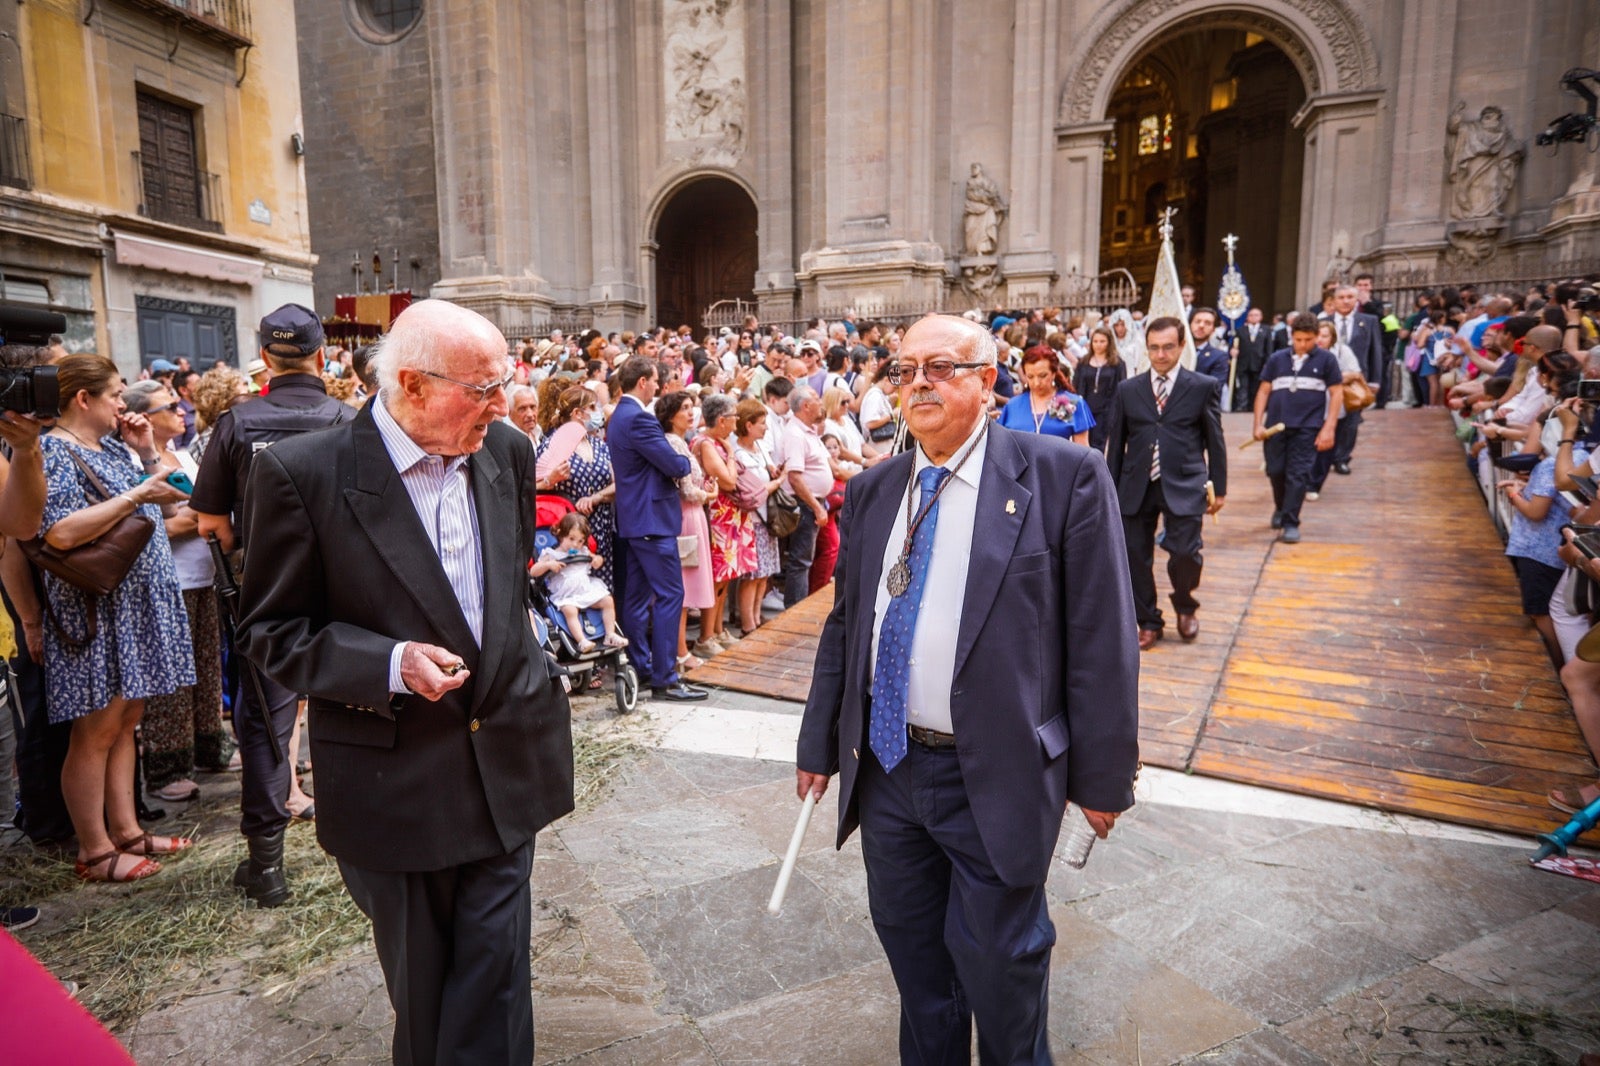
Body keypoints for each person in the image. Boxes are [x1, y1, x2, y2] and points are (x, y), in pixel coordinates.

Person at [236, 299, 574, 1065]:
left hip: (509, 760)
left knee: (497, 975)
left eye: (505, 385)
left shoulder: (507, 453)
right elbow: (269, 632)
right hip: (398, 779)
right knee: (426, 992)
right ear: (413, 386)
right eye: (481, 389)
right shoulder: (302, 473)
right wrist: (391, 664)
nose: (502, 403)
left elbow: (505, 587)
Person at [796, 314, 1139, 1064]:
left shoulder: (1063, 478)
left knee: (1002, 970)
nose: (918, 382)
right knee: (918, 974)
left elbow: (1101, 639)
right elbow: (850, 624)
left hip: (996, 771)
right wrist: (819, 740)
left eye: (940, 367)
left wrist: (1105, 777)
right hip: (887, 769)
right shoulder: (876, 489)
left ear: (988, 381)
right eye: (904, 369)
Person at [189, 303, 356, 906]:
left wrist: (253, 557)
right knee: (355, 711)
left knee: (264, 726)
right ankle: (360, 845)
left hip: (270, 595)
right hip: (344, 593)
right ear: (322, 353)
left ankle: (268, 866)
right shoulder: (347, 419)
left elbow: (211, 523)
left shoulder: (237, 423)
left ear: (264, 356)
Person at [37, 354, 196, 882]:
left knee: (126, 722)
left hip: (135, 605)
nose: (123, 403)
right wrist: (135, 495)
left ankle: (126, 830)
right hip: (97, 610)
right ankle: (94, 849)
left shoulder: (110, 445)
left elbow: (173, 504)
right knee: (96, 730)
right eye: (114, 394)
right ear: (83, 399)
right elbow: (58, 533)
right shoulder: (52, 450)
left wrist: (147, 452)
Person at [120, 381, 230, 800]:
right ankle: (167, 767)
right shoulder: (134, 460)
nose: (180, 411)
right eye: (169, 406)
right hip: (166, 581)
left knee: (204, 667)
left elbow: (202, 509)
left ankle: (209, 748)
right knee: (170, 676)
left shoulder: (182, 454)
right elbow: (156, 524)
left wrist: (195, 516)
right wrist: (197, 517)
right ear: (143, 417)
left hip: (202, 574)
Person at [1105, 316, 1228, 649]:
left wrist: (1219, 486)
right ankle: (1148, 620)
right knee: (1134, 556)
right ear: (1147, 349)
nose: (1161, 355)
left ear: (1182, 346)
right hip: (1136, 484)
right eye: (1154, 348)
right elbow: (1116, 444)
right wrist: (1109, 490)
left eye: (1168, 347)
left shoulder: (1202, 386)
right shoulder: (1129, 389)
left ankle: (1185, 604)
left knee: (1186, 552)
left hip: (1186, 481)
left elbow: (1214, 439)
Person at [609, 355, 709, 701]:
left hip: (636, 519)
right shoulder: (638, 419)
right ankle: (665, 677)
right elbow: (675, 464)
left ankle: (644, 667)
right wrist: (684, 459)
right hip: (651, 520)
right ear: (642, 382)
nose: (658, 385)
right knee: (669, 595)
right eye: (655, 380)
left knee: (637, 600)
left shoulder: (621, 416)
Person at [1254, 313, 1344, 543]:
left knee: (1298, 474)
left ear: (1316, 338)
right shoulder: (1277, 358)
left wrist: (1329, 427)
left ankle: (1291, 522)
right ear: (1291, 336)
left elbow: (1336, 393)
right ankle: (1281, 507)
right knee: (1275, 470)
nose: (1303, 344)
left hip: (1307, 427)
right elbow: (1264, 390)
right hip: (1275, 428)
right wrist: (1257, 423)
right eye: (1299, 339)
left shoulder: (1327, 360)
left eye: (1309, 339)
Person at [657, 391, 718, 667]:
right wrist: (709, 495)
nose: (691, 412)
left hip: (693, 516)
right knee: (682, 587)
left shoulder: (682, 442)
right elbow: (686, 491)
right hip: (686, 516)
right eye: (684, 408)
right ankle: (680, 650)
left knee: (686, 586)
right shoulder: (674, 443)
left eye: (692, 407)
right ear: (671, 415)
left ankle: (680, 648)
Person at [537, 386, 616, 586]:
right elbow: (531, 486)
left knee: (601, 589)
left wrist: (596, 497)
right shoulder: (550, 444)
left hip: (601, 529)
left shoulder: (600, 446)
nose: (597, 411)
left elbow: (618, 484)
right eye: (592, 406)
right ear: (577, 414)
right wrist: (550, 480)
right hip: (568, 534)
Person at [694, 393, 757, 645]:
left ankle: (718, 630)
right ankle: (706, 635)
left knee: (726, 577)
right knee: (718, 578)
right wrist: (731, 454)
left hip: (731, 517)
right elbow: (728, 480)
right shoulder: (706, 443)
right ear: (721, 420)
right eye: (734, 417)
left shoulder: (717, 442)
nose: (736, 421)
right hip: (719, 517)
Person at [533, 511, 627, 654]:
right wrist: (548, 565)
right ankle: (581, 641)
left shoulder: (583, 551)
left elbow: (597, 559)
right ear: (561, 534)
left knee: (607, 600)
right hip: (566, 594)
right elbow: (533, 571)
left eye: (580, 541)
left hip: (585, 590)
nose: (575, 544)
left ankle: (610, 634)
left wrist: (597, 560)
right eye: (571, 539)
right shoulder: (551, 554)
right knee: (570, 611)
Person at [732, 399, 786, 633]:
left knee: (764, 574)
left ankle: (755, 616)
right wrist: (775, 484)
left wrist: (775, 473)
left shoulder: (761, 448)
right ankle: (747, 623)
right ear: (748, 425)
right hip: (751, 521)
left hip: (767, 520)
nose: (766, 428)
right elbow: (751, 490)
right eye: (762, 423)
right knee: (752, 575)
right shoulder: (738, 454)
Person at [778, 385, 834, 607]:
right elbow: (795, 477)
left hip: (812, 502)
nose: (820, 403)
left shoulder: (807, 431)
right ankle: (794, 609)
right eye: (816, 399)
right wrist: (816, 507)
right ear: (805, 406)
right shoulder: (795, 434)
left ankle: (798, 605)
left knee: (805, 559)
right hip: (805, 504)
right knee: (800, 560)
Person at [1307, 320, 1367, 500]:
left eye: (1325, 336)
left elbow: (1356, 373)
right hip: (1310, 408)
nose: (1320, 340)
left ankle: (1315, 483)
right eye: (1317, 335)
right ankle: (1305, 480)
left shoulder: (1342, 352)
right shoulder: (1305, 353)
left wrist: (1335, 376)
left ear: (1332, 337)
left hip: (1335, 406)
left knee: (1326, 449)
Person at [1325, 284, 1386, 441]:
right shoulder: (1324, 322)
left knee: (1351, 421)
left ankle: (1342, 458)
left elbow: (1375, 351)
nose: (1345, 301)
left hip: (1357, 379)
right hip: (1328, 379)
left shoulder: (1369, 321)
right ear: (1334, 300)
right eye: (1341, 297)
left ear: (1357, 300)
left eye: (1350, 297)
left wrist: (1375, 381)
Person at [998, 347, 1096, 445]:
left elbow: (1083, 450)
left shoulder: (1073, 403)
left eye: (1043, 376)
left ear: (1053, 373)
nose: (1036, 383)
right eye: (1030, 377)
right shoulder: (1012, 406)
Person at [1073, 325, 1124, 452]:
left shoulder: (1117, 363)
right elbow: (1075, 384)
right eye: (1095, 341)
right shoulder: (1084, 362)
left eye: (1102, 341)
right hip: (1085, 407)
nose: (1098, 345)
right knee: (1082, 444)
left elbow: (1121, 387)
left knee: (1099, 444)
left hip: (1106, 409)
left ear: (1109, 342)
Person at [1232, 307, 1271, 413]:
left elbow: (1268, 348)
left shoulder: (1266, 330)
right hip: (1243, 363)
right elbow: (1233, 345)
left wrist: (1267, 363)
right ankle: (1242, 406)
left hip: (1259, 363)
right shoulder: (1240, 330)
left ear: (1261, 317)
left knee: (1256, 387)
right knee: (1242, 386)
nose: (1253, 317)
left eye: (1256, 315)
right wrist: (1232, 352)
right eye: (1251, 315)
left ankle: (1254, 406)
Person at [1188, 307, 1231, 388]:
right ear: (1190, 324)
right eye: (1197, 322)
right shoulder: (1177, 351)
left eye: (1207, 323)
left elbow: (1215, 388)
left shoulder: (1219, 357)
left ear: (1213, 329)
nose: (1201, 326)